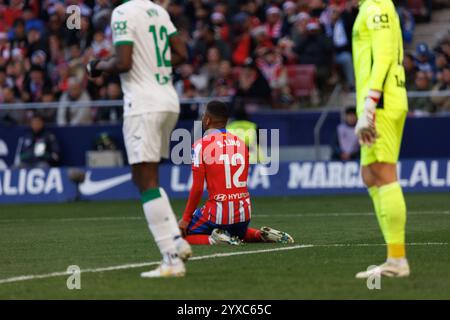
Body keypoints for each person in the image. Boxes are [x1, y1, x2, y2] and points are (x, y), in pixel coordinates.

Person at [86, 0, 191, 278]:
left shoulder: (122, 12)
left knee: (144, 179)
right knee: (146, 176)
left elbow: (123, 62)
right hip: (168, 99)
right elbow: (181, 53)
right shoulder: (158, 11)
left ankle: (171, 258)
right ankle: (176, 240)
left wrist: (98, 65)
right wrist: (154, 65)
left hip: (143, 104)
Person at [178, 101, 293, 245]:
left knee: (179, 235)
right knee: (234, 232)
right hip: (243, 214)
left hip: (218, 214)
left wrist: (186, 218)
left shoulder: (200, 145)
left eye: (203, 116)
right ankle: (259, 234)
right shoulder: (240, 144)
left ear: (207, 119)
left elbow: (197, 188)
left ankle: (213, 239)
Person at [352, 0, 409, 278]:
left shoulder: (377, 6)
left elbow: (384, 54)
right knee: (370, 175)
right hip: (376, 101)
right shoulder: (370, 7)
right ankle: (394, 257)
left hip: (382, 102)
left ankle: (397, 260)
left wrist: (370, 104)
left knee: (384, 173)